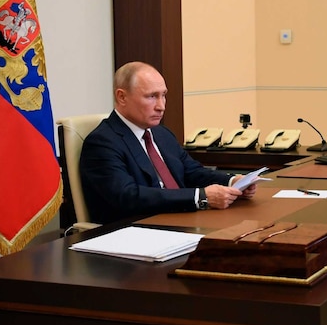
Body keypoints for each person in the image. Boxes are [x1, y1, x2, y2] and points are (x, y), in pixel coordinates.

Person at [80, 61, 257, 223]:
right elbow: (128, 196)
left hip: (181, 220)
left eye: (163, 95)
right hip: (138, 230)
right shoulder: (102, 142)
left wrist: (233, 182)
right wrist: (200, 197)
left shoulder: (161, 133)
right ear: (122, 97)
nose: (161, 106)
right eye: (151, 97)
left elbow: (192, 172)